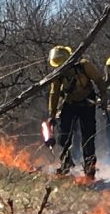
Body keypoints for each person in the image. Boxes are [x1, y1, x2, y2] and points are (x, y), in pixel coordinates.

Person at [43, 43, 100, 181]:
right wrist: (52, 115)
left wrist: (103, 98)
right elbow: (54, 93)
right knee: (64, 135)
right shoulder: (58, 75)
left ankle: (89, 169)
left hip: (87, 104)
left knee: (88, 137)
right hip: (70, 104)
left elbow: (99, 80)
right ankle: (66, 162)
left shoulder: (84, 66)